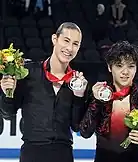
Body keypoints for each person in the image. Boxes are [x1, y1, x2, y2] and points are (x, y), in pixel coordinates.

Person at [0, 22, 88, 162]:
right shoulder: (28, 73)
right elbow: (8, 113)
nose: (69, 48)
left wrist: (79, 97)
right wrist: (7, 93)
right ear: (55, 39)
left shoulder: (77, 82)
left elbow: (76, 126)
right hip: (32, 153)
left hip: (63, 154)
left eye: (75, 44)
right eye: (66, 41)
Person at [79, 41, 138, 162]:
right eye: (119, 65)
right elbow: (85, 132)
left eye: (131, 66)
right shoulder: (98, 97)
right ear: (109, 67)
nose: (125, 72)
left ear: (136, 68)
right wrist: (97, 101)